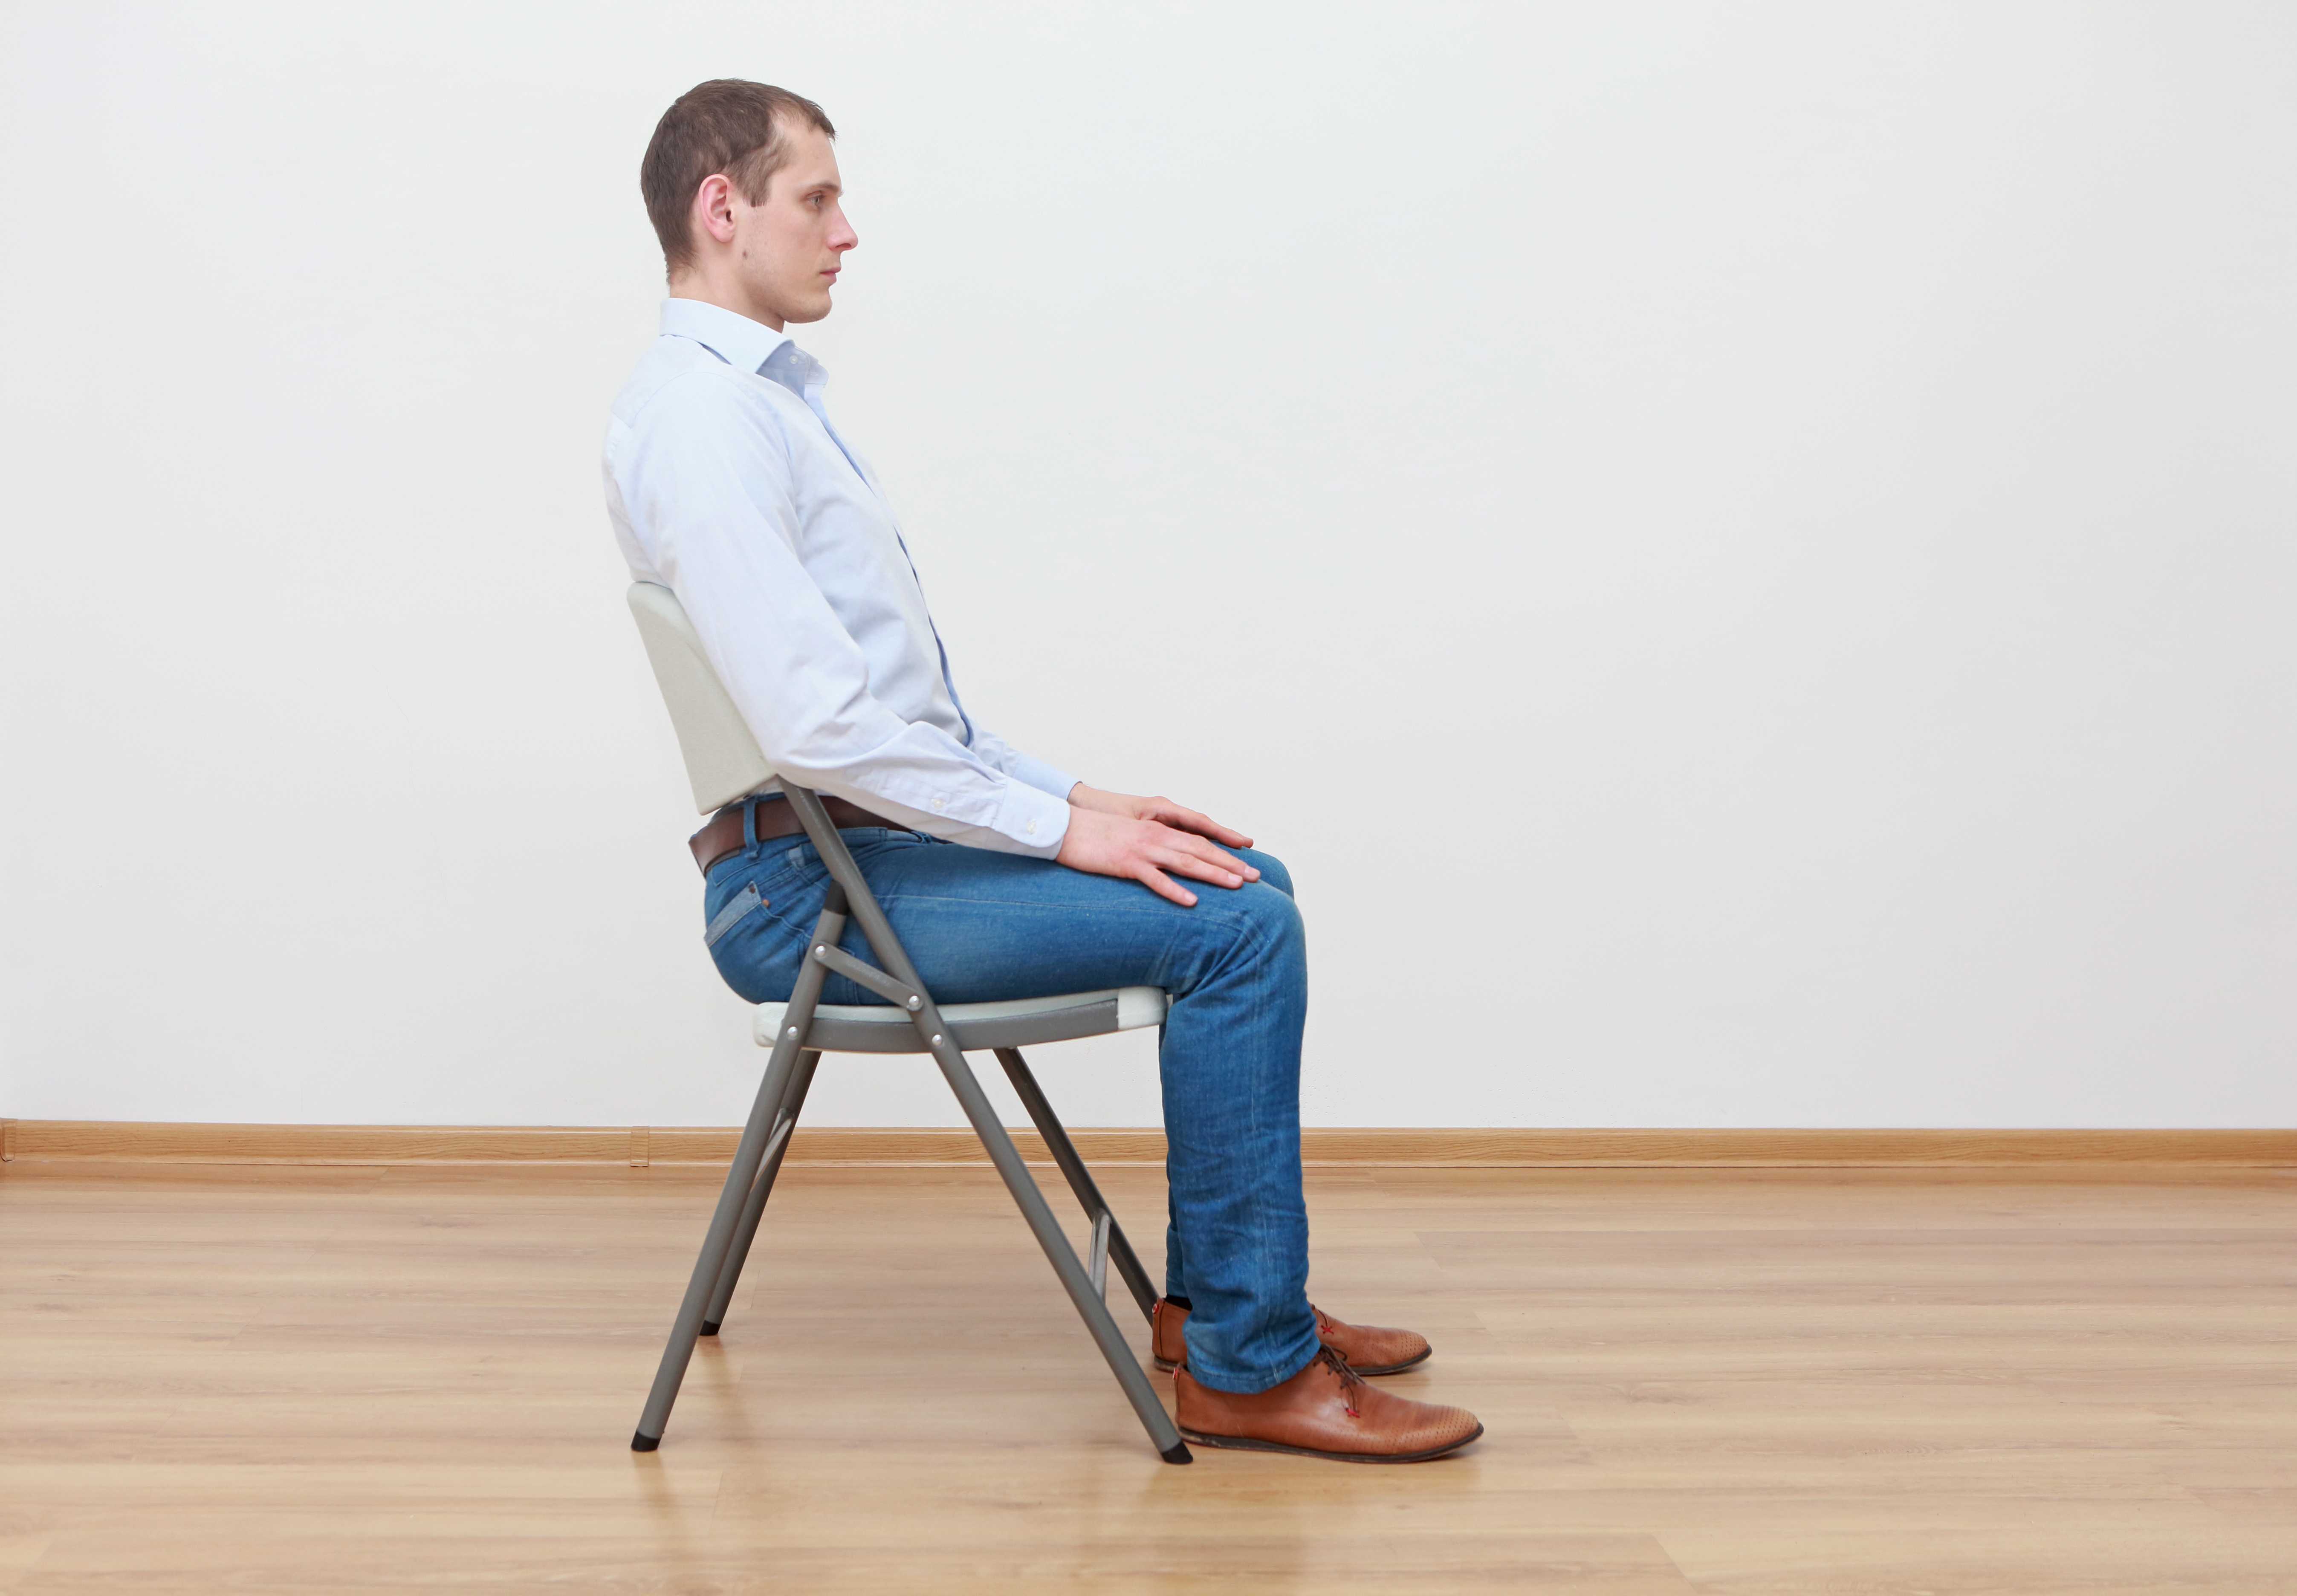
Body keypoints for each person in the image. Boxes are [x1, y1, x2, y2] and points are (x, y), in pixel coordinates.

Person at [603, 78, 1481, 1463]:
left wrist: (1075, 800)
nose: (847, 231)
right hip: (806, 893)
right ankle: (1248, 1370)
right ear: (723, 210)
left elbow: (899, 716)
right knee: (1240, 928)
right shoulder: (707, 424)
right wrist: (1057, 837)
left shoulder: (754, 405)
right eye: (817, 198)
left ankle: (1221, 1314)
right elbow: (826, 734)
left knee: (1244, 880)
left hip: (847, 848)